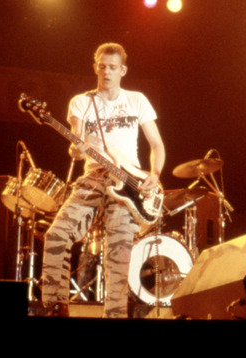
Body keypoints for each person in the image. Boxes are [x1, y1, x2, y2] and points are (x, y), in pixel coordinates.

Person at [41, 42, 165, 318]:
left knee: (118, 255)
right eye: (102, 66)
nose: (106, 72)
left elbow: (156, 144)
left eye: (112, 67)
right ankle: (55, 307)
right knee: (56, 235)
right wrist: (76, 148)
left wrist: (154, 175)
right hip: (94, 176)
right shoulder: (82, 102)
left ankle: (115, 319)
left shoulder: (137, 100)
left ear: (123, 70)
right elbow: (76, 142)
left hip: (129, 180)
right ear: (95, 67)